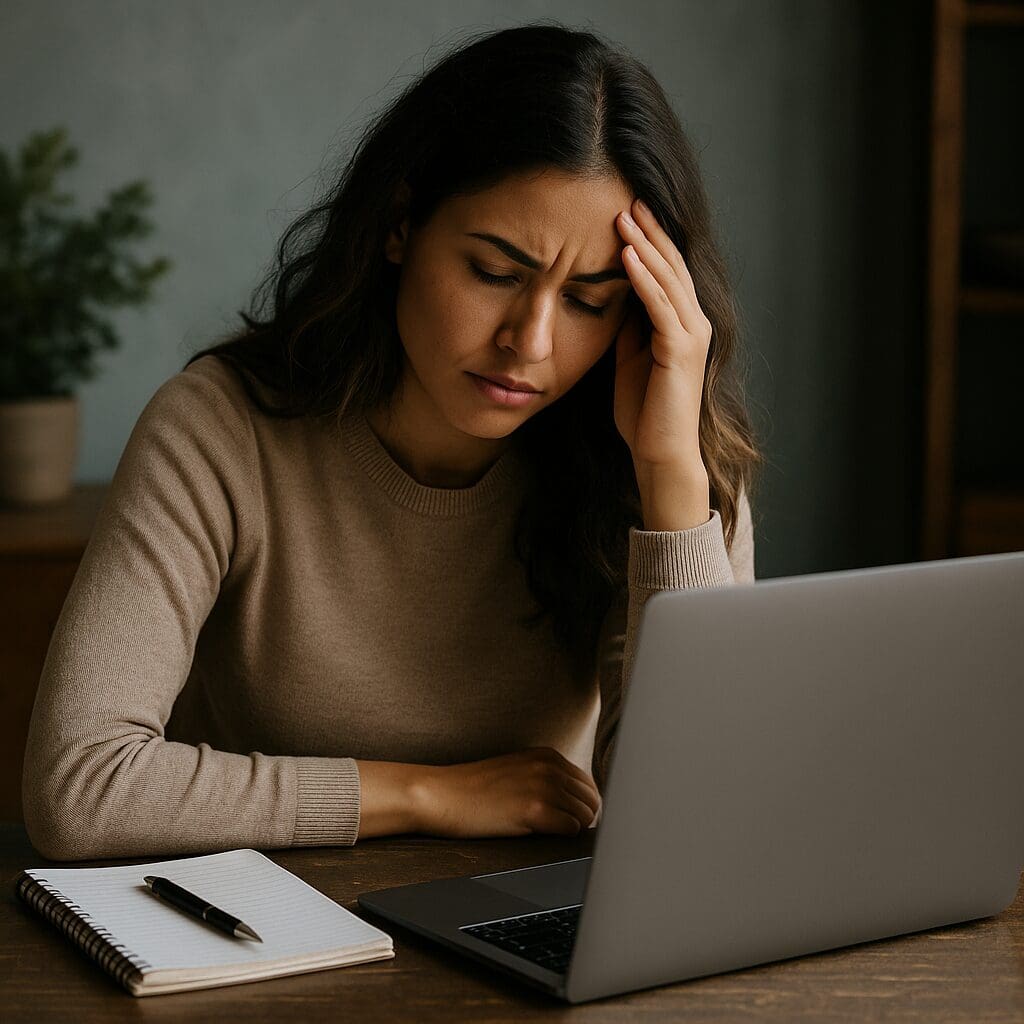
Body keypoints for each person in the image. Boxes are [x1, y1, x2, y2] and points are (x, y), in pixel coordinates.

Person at [22, 22, 761, 861]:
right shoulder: (218, 432)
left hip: (511, 948)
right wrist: (428, 793)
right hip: (254, 936)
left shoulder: (663, 459)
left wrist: (670, 480)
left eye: (590, 301)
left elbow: (706, 830)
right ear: (401, 223)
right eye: (495, 273)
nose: (533, 341)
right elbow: (81, 788)